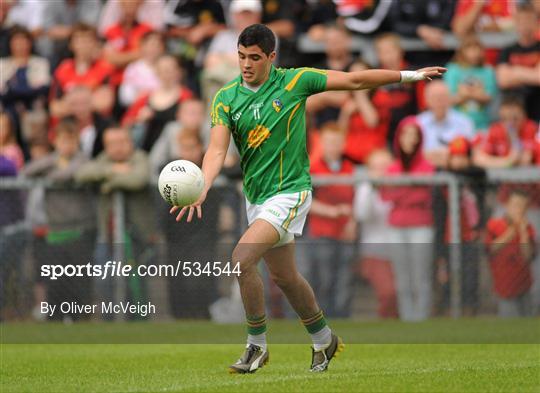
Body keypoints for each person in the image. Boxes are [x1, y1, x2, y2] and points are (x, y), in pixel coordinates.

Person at [169, 23, 445, 373]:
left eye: (254, 57)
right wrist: (203, 185)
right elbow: (216, 150)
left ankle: (256, 346)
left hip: (290, 192)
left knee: (241, 259)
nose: (246, 64)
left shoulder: (295, 81)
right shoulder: (225, 97)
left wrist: (409, 75)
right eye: (241, 57)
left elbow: (354, 80)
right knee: (285, 278)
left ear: (272, 57)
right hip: (257, 199)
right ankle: (323, 338)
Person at [21, 120, 94, 321]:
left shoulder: (83, 160)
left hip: (79, 228)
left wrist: (50, 175)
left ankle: (79, 317)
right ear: (56, 142)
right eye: (62, 141)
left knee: (78, 276)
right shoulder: (51, 161)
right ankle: (56, 317)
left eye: (71, 141)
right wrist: (53, 160)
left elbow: (71, 174)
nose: (67, 146)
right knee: (56, 277)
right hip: (55, 229)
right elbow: (26, 171)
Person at [380, 116, 435, 321]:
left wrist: (402, 190)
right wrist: (411, 189)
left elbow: (425, 195)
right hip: (396, 226)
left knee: (421, 275)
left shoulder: (427, 167)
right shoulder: (392, 168)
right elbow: (386, 195)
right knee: (402, 277)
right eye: (406, 134)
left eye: (414, 135)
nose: (410, 139)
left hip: (421, 225)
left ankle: (421, 318)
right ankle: (407, 317)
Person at [305, 122, 356, 318]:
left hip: (344, 232)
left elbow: (354, 199)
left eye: (337, 142)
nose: (333, 146)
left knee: (344, 279)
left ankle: (342, 318)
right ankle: (322, 319)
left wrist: (351, 222)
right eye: (329, 142)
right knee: (324, 279)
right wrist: (332, 211)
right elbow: (306, 201)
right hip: (321, 232)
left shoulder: (349, 168)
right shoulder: (313, 168)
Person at [354, 149, 398, 319]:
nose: (382, 171)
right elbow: (362, 214)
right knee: (388, 293)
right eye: (377, 167)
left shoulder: (399, 184)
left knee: (402, 294)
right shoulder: (365, 188)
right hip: (375, 251)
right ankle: (388, 328)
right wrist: (372, 188)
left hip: (400, 249)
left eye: (386, 166)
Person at [121, 54, 193, 151]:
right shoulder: (145, 98)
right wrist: (139, 120)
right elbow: (125, 125)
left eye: (170, 69)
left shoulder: (186, 97)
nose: (167, 73)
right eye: (163, 70)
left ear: (179, 71)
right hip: (147, 149)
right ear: (156, 72)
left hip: (176, 152)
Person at [485, 189, 536, 317]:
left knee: (527, 321)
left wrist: (523, 233)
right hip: (505, 287)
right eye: (516, 205)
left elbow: (528, 256)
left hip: (525, 286)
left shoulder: (528, 229)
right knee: (508, 320)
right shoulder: (494, 225)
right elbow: (490, 249)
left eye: (523, 207)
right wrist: (512, 231)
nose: (519, 210)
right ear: (507, 205)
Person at [496, 2, 540, 122]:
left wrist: (515, 71)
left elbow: (539, 77)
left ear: (536, 22)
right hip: (514, 113)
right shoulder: (507, 50)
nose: (525, 24)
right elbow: (503, 80)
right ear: (516, 22)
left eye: (529, 20)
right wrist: (531, 73)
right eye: (521, 20)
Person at [443, 35, 498, 131]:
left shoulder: (488, 70)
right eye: (470, 48)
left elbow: (489, 97)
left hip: (482, 124)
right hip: (457, 125)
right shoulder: (452, 70)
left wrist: (465, 93)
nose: (475, 53)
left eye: (477, 48)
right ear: (462, 51)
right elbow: (449, 98)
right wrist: (476, 93)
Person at [417, 80, 475, 168]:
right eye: (435, 97)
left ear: (450, 98)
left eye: (443, 97)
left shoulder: (464, 122)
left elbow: (469, 155)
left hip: (456, 175)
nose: (439, 101)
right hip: (425, 175)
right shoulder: (418, 123)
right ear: (426, 100)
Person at [472, 95, 538, 168]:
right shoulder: (495, 130)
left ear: (524, 117)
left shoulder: (531, 128)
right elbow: (478, 159)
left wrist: (514, 138)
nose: (510, 123)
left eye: (515, 118)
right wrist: (507, 161)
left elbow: (524, 161)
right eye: (504, 119)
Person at [118, 31, 164, 107]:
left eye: (157, 45)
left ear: (162, 48)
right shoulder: (133, 68)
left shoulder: (167, 67)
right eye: (150, 44)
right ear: (142, 46)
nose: (153, 49)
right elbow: (125, 97)